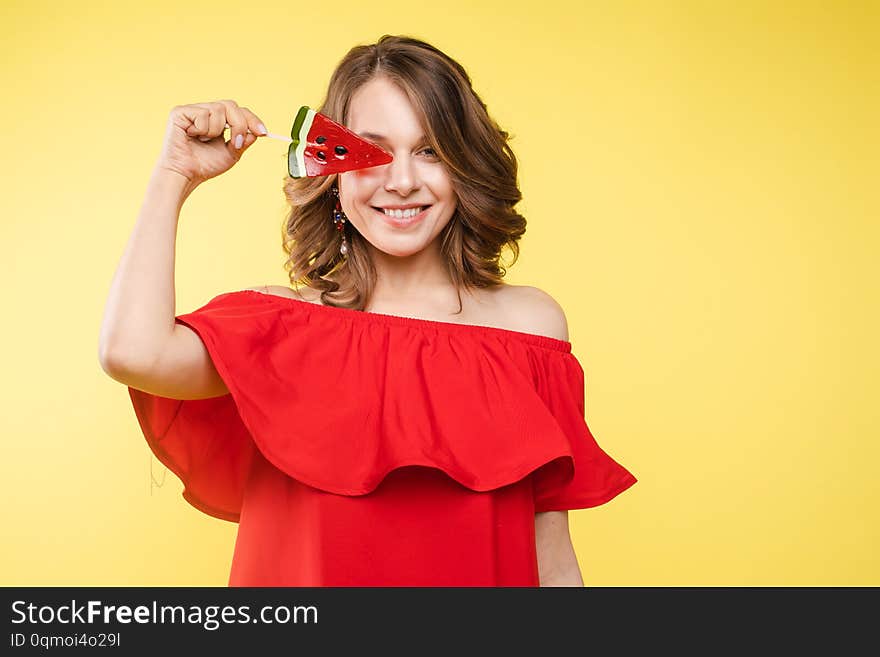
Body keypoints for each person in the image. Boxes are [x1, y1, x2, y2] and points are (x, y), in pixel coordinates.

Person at [98, 34, 637, 587]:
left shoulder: (529, 327)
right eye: (371, 153)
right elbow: (131, 352)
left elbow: (551, 558)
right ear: (330, 171)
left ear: (464, 168)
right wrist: (174, 175)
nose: (401, 182)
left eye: (429, 151)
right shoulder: (278, 326)